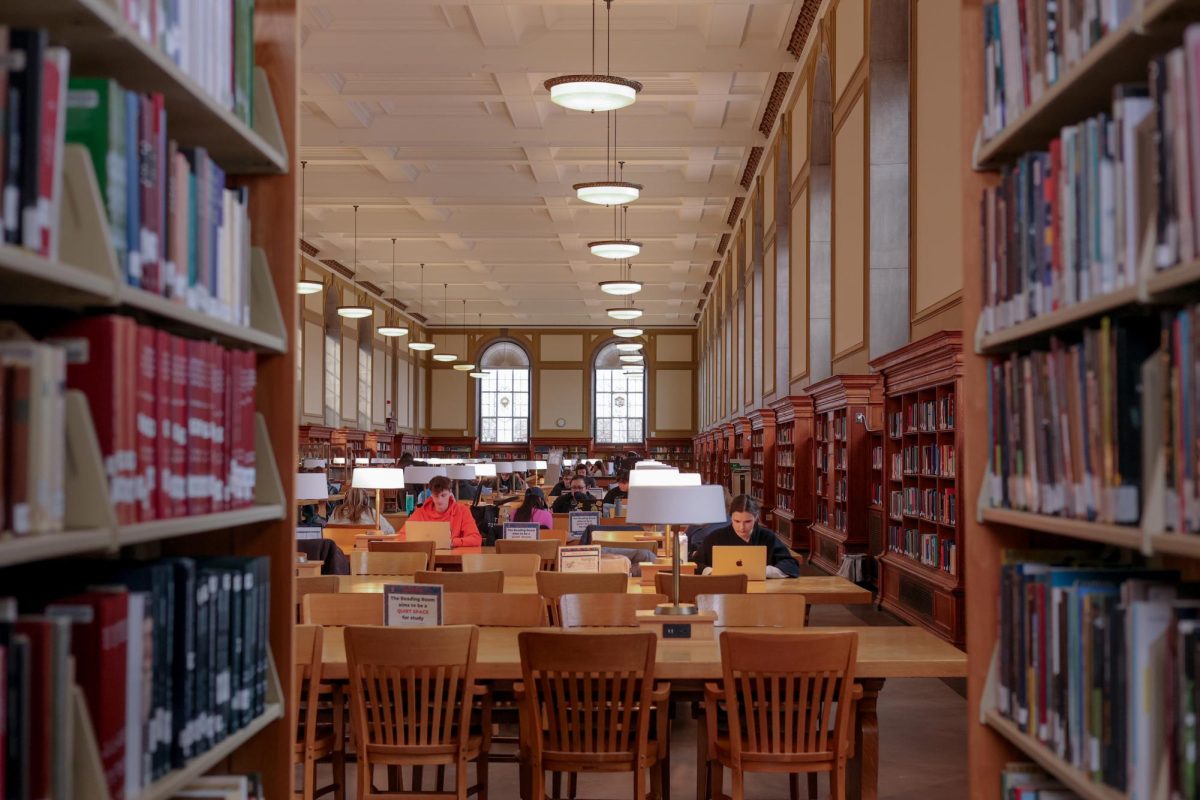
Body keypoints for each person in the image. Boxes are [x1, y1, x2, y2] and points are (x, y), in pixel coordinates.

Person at [691, 495, 799, 578]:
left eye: (747, 522)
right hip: (724, 591)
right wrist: (711, 571)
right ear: (730, 517)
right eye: (737, 521)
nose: (741, 527)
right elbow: (695, 564)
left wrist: (764, 571)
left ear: (756, 518)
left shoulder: (767, 537)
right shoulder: (716, 537)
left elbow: (790, 564)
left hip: (762, 591)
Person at [403, 475, 482, 547]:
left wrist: (452, 542)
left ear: (450, 493)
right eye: (436, 495)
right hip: (425, 558)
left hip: (453, 559)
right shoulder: (421, 512)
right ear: (431, 494)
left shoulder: (462, 511)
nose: (439, 500)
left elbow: (476, 539)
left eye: (443, 495)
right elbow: (401, 536)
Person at [328, 487, 395, 534]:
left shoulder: (336, 512)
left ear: (346, 498)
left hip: (340, 552)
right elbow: (391, 531)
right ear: (366, 498)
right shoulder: (371, 512)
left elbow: (327, 532)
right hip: (366, 551)